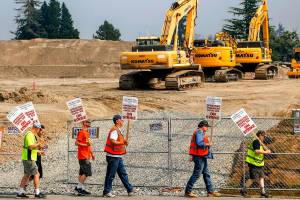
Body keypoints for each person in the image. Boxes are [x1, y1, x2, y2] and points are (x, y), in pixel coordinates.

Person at [103, 114, 139, 198]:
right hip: (113, 156)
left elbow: (119, 141)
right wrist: (123, 142)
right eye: (121, 120)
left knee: (123, 173)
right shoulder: (115, 130)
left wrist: (124, 142)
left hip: (117, 156)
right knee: (110, 174)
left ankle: (129, 189)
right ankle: (107, 191)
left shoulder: (118, 130)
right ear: (117, 121)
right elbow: (113, 141)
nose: (123, 121)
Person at [185, 120, 221, 198]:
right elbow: (199, 143)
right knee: (197, 174)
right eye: (206, 126)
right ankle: (188, 192)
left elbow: (195, 144)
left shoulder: (200, 132)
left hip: (201, 155)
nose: (207, 128)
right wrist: (208, 144)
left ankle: (210, 192)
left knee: (206, 173)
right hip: (199, 156)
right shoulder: (199, 132)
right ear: (203, 126)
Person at [17, 123, 46, 198]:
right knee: (36, 174)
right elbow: (30, 147)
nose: (39, 131)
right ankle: (37, 192)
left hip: (28, 157)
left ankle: (20, 192)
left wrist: (39, 151)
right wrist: (39, 144)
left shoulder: (31, 135)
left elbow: (31, 148)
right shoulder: (30, 135)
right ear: (36, 128)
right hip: (29, 158)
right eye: (39, 129)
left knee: (27, 175)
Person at [241, 130, 272, 198]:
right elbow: (256, 151)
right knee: (253, 178)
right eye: (264, 136)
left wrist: (265, 150)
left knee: (261, 177)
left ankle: (263, 192)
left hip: (259, 163)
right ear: (260, 135)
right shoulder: (256, 141)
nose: (264, 137)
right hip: (253, 163)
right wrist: (266, 152)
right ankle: (244, 190)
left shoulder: (259, 142)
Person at [74, 120, 95, 196]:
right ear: (84, 123)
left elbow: (88, 144)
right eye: (88, 122)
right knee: (87, 172)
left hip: (86, 155)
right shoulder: (82, 132)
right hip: (83, 155)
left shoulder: (87, 133)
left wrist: (92, 154)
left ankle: (81, 188)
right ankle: (79, 187)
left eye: (90, 122)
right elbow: (76, 142)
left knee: (82, 172)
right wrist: (85, 145)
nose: (90, 123)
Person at [26, 125, 46, 189]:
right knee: (35, 174)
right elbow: (33, 146)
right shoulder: (34, 136)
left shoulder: (40, 137)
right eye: (42, 131)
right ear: (38, 130)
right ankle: (26, 187)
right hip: (34, 156)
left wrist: (43, 147)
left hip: (38, 156)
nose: (42, 133)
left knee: (38, 175)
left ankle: (25, 187)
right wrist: (40, 146)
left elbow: (41, 146)